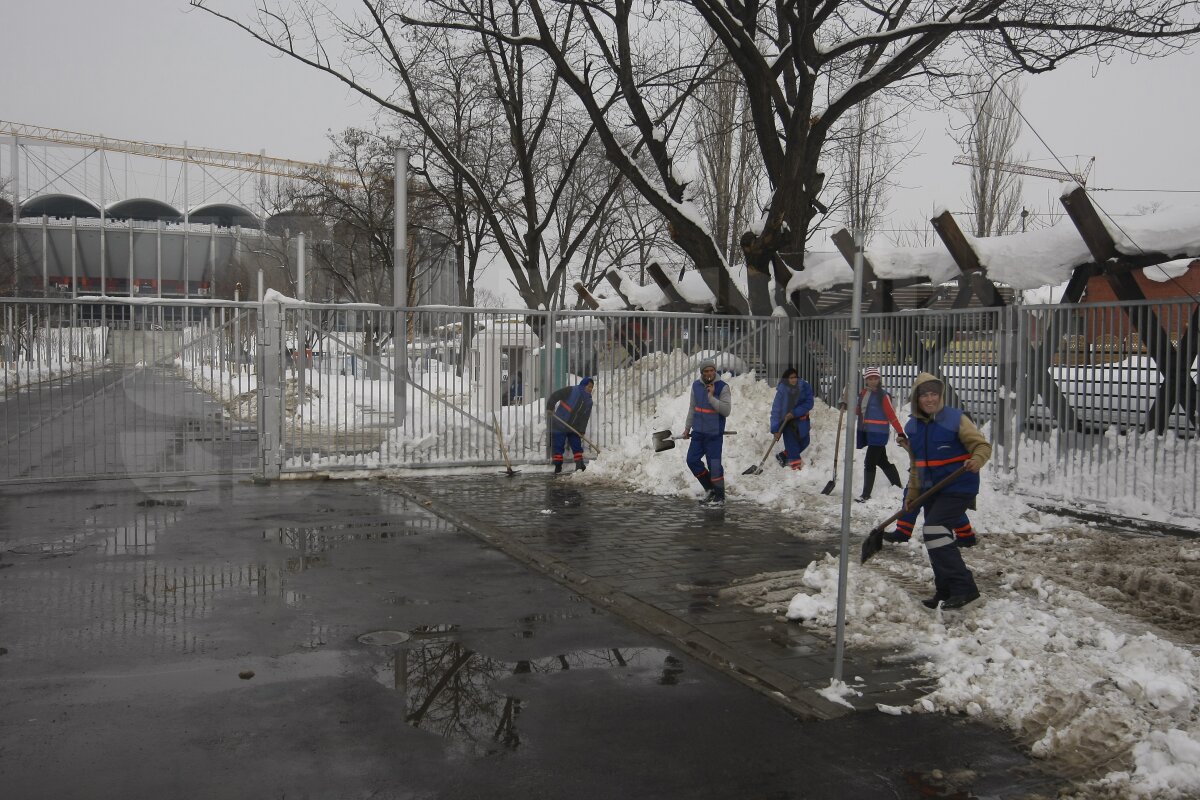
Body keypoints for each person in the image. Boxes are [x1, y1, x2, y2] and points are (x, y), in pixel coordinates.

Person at [885, 372, 991, 610]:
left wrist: (977, 459)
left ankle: (965, 588)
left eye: (934, 394)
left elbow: (981, 445)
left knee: (934, 529)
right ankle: (945, 591)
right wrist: (911, 497)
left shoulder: (956, 419)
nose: (930, 399)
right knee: (935, 536)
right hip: (932, 490)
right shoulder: (913, 427)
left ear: (940, 396)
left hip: (958, 486)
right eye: (925, 395)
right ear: (917, 399)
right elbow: (917, 467)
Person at [682, 360, 732, 507]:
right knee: (692, 460)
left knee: (714, 465)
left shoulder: (723, 387)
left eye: (712, 370)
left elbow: (726, 411)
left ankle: (720, 496)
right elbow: (692, 408)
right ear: (702, 373)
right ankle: (710, 489)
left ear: (715, 371)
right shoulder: (696, 386)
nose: (709, 373)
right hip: (698, 433)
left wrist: (711, 397)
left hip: (714, 434)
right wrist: (687, 428)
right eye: (706, 371)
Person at [852, 367, 906, 502]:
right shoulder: (863, 394)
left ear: (879, 379)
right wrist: (848, 400)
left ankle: (866, 495)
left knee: (869, 462)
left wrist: (900, 432)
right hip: (869, 433)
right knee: (882, 461)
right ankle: (897, 485)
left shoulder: (883, 396)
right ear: (866, 380)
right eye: (870, 379)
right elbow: (858, 411)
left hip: (879, 433)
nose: (873, 381)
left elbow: (891, 415)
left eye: (875, 378)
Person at [546, 377, 595, 473]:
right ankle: (558, 467)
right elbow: (555, 395)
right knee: (558, 445)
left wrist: (582, 430)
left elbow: (585, 417)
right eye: (589, 386)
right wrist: (550, 407)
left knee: (577, 445)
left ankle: (579, 465)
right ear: (583, 385)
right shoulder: (571, 390)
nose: (590, 389)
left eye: (591, 387)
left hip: (574, 428)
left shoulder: (589, 401)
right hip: (560, 423)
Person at [769, 367, 813, 470]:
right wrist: (775, 429)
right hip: (787, 422)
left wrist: (794, 413)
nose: (794, 380)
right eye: (791, 378)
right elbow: (776, 410)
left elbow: (809, 403)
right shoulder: (782, 391)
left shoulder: (805, 387)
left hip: (802, 419)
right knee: (792, 444)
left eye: (795, 377)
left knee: (805, 441)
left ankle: (783, 455)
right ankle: (796, 467)